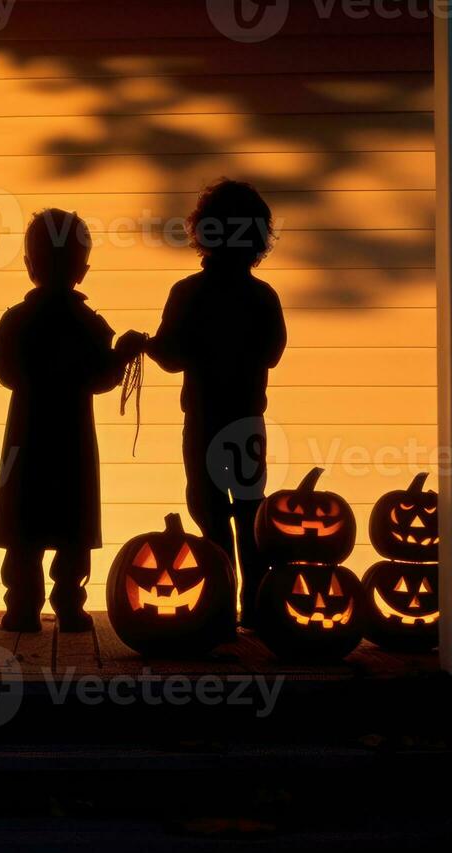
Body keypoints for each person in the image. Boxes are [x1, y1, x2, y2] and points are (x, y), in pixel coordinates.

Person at [0, 209, 144, 632]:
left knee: (23, 525)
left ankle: (22, 606)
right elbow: (101, 379)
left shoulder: (16, 321)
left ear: (29, 265)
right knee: (73, 524)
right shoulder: (88, 324)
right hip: (72, 439)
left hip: (25, 434)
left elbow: (2, 368)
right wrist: (123, 354)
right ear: (83, 269)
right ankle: (70, 604)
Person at [145, 179, 287, 625]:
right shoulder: (263, 296)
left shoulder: (188, 292)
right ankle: (258, 604)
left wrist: (144, 345)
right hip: (246, 420)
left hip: (203, 419)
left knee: (207, 507)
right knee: (250, 510)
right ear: (259, 239)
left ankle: (220, 600)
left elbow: (170, 357)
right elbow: (273, 354)